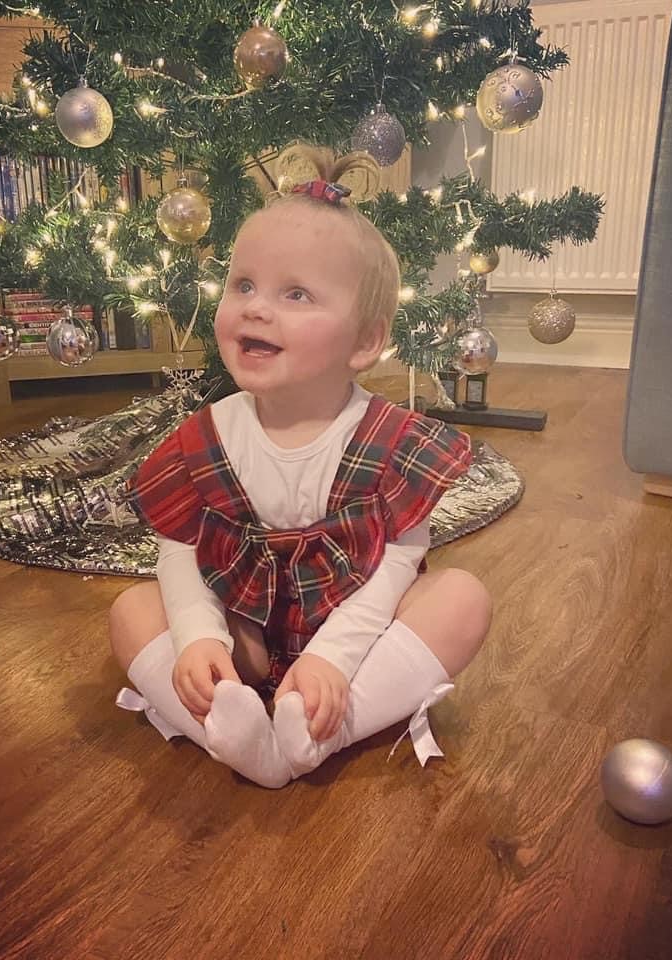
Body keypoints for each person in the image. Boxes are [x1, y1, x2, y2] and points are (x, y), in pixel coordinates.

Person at [110, 147, 492, 788]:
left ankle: (320, 729)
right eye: (243, 285)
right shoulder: (209, 437)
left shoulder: (390, 444)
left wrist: (332, 663)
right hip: (245, 634)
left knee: (463, 600)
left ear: (365, 341)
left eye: (296, 293)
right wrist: (200, 639)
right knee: (130, 612)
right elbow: (180, 550)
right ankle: (229, 731)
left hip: (357, 636)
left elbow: (393, 572)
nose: (257, 308)